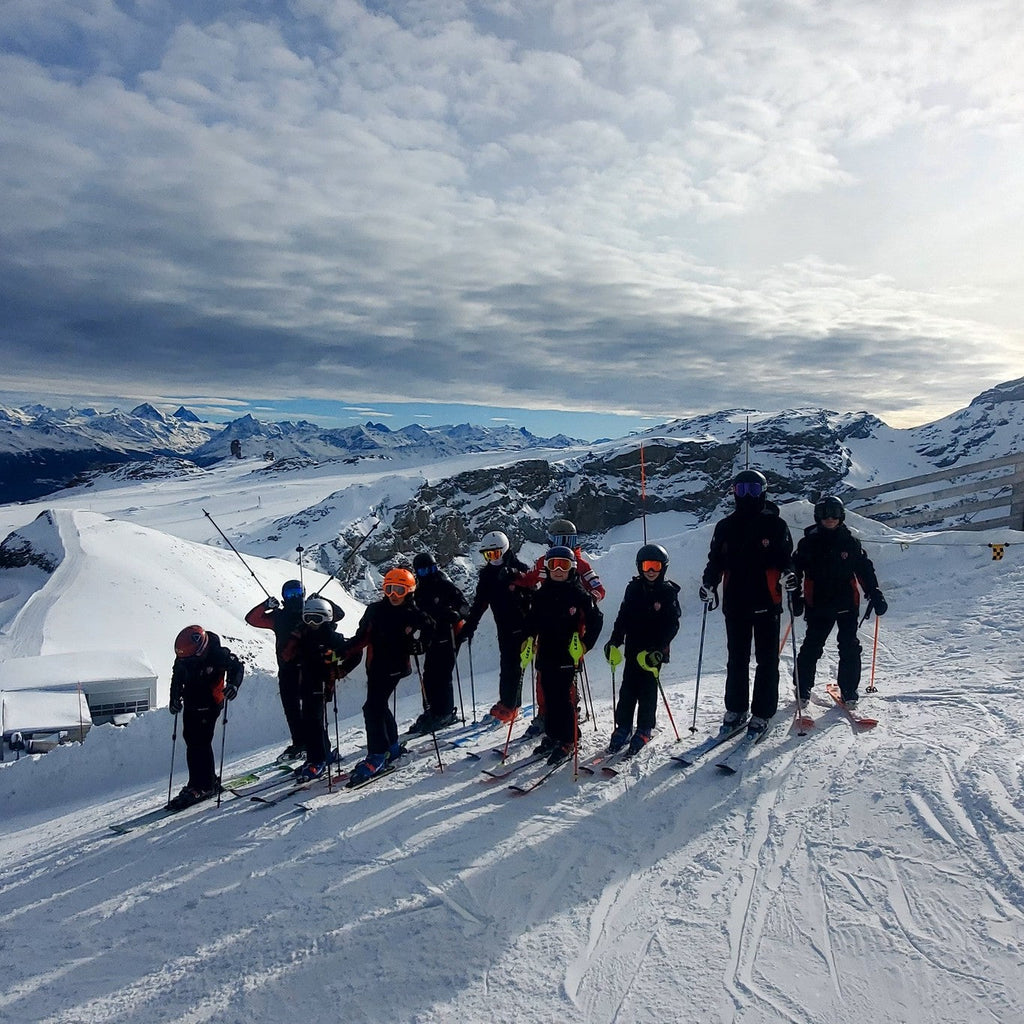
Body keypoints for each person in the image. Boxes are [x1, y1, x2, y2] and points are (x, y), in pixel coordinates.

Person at [700, 469, 794, 734]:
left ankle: (763, 712)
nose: (747, 495)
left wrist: (789, 575)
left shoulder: (775, 525)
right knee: (737, 659)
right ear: (734, 492)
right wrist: (709, 583)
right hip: (736, 603)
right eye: (742, 490)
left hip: (767, 600)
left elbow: (787, 558)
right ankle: (737, 708)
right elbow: (715, 561)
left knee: (766, 660)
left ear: (763, 492)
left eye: (753, 490)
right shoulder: (726, 527)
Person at [791, 495, 887, 708]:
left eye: (835, 514)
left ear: (841, 516)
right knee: (812, 646)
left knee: (849, 646)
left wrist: (874, 592)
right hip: (818, 603)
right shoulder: (808, 543)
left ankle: (849, 689)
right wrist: (794, 597)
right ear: (818, 517)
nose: (830, 519)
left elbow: (864, 570)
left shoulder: (850, 542)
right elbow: (794, 572)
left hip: (846, 602)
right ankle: (803, 687)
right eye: (825, 514)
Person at [343, 567, 435, 783]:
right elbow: (361, 637)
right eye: (389, 589)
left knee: (372, 707)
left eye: (399, 590)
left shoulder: (413, 613)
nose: (393, 595)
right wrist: (341, 653)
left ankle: (377, 754)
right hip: (375, 666)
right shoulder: (375, 610)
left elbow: (430, 627)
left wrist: (420, 644)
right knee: (379, 705)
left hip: (395, 666)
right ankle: (391, 747)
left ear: (409, 592)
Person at [519, 518, 605, 738]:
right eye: (559, 539)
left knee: (567, 678)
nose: (564, 544)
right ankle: (545, 714)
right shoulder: (544, 561)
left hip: (574, 627)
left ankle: (569, 714)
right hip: (547, 625)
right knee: (544, 676)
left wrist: (589, 601)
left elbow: (598, 589)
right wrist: (513, 580)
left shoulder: (579, 564)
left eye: (568, 540)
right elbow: (530, 579)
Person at [245, 580, 344, 762]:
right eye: (290, 594)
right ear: (284, 597)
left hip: (309, 668)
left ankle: (319, 748)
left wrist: (321, 600)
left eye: (297, 593)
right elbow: (252, 619)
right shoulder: (279, 616)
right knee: (291, 709)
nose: (294, 598)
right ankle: (300, 743)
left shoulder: (311, 612)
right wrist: (265, 605)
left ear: (303, 593)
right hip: (287, 669)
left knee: (311, 712)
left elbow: (337, 614)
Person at [603, 543, 681, 755]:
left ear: (663, 568)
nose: (651, 571)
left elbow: (673, 624)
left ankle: (645, 727)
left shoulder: (667, 592)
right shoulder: (633, 589)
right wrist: (614, 641)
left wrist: (659, 648)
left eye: (655, 566)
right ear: (639, 567)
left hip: (652, 653)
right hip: (633, 649)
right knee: (627, 690)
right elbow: (623, 617)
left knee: (647, 690)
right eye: (647, 566)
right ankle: (624, 727)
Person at [458, 530, 533, 723]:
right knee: (506, 665)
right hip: (504, 627)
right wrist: (470, 626)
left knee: (516, 666)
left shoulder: (519, 569)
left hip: (522, 626)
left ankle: (513, 706)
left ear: (505, 550)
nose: (492, 558)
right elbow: (480, 603)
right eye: (488, 555)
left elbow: (534, 594)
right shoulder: (487, 576)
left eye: (496, 553)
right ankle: (505, 701)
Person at [284, 596, 360, 781]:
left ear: (326, 618)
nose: (311, 623)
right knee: (310, 720)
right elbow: (289, 655)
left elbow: (354, 652)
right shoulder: (304, 634)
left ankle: (318, 760)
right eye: (307, 618)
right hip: (306, 682)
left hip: (321, 682)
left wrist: (340, 668)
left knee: (314, 721)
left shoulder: (331, 637)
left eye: (316, 619)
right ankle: (319, 755)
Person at [169, 625, 244, 809]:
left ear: (201, 648)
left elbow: (236, 667)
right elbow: (177, 677)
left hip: (211, 702)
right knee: (191, 741)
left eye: (189, 658)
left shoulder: (217, 653)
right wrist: (174, 698)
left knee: (200, 742)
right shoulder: (185, 657)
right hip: (192, 703)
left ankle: (204, 785)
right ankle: (200, 782)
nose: (186, 661)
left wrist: (233, 685)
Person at [407, 552, 469, 735]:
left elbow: (464, 606)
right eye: (425, 571)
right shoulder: (418, 591)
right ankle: (434, 710)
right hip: (431, 637)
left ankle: (446, 713)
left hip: (449, 635)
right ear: (418, 573)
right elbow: (416, 615)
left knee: (442, 675)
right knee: (429, 675)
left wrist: (456, 614)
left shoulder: (444, 585)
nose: (430, 573)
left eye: (432, 569)